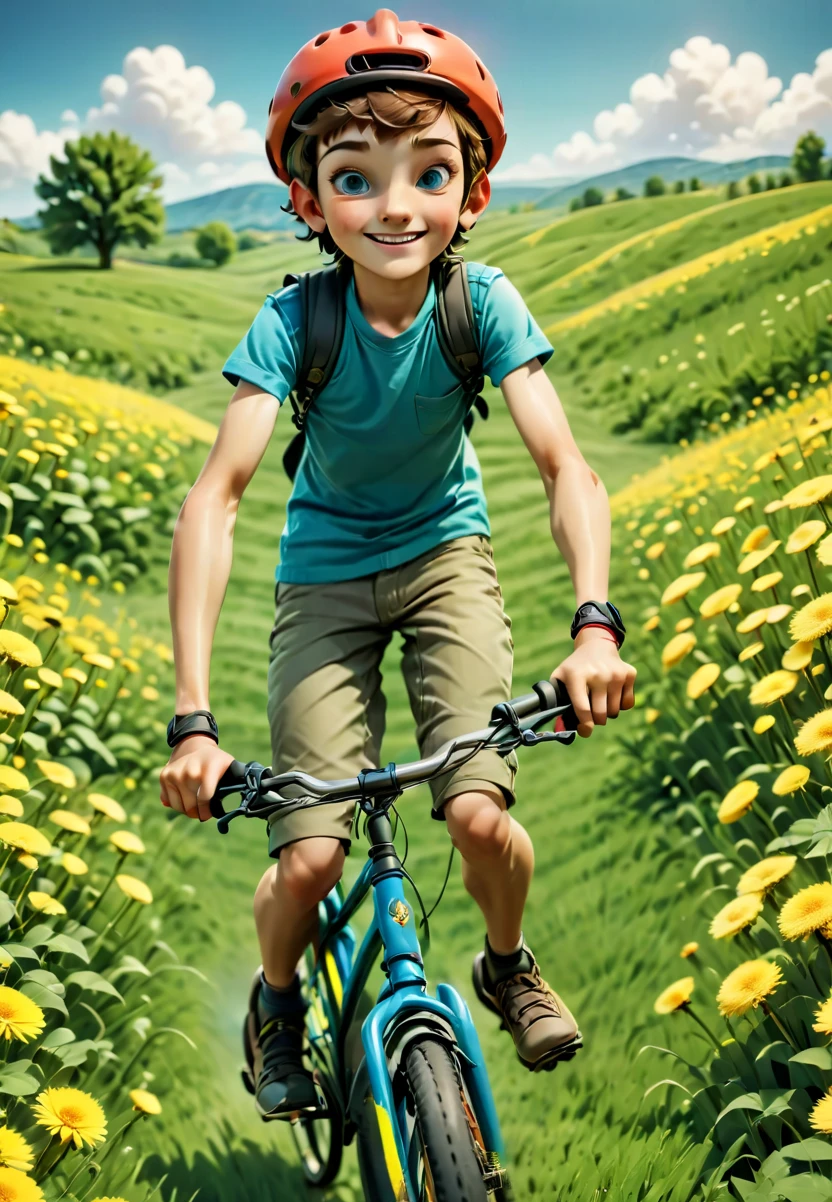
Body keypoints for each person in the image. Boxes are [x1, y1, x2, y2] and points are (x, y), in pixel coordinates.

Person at [160, 8, 637, 1120]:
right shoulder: (294, 323)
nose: (394, 205)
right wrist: (192, 719)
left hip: (443, 559)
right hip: (322, 578)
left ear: (469, 192)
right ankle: (277, 1003)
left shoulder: (482, 304)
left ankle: (506, 963)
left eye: (428, 171)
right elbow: (216, 497)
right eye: (354, 176)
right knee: (312, 853)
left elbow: (565, 464)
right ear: (309, 200)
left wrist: (594, 624)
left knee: (477, 814)